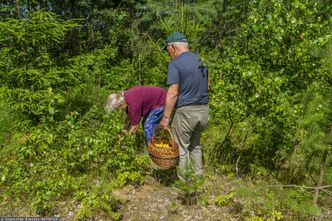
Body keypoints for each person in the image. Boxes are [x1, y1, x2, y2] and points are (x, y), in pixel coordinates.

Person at [160, 32, 209, 182]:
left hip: (186, 112)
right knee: (195, 146)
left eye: (168, 50)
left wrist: (166, 118)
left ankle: (185, 185)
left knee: (181, 149)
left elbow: (173, 92)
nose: (169, 54)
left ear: (173, 47)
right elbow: (208, 84)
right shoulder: (201, 60)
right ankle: (198, 180)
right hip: (203, 110)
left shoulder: (175, 64)